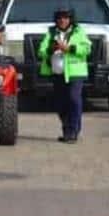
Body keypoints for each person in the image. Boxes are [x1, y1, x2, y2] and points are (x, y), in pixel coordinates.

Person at [38, 8, 91, 143]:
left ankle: (73, 131)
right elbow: (41, 51)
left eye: (66, 18)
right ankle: (67, 130)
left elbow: (87, 49)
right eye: (60, 18)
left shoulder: (79, 32)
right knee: (60, 104)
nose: (63, 20)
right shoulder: (51, 33)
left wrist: (70, 48)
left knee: (74, 100)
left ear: (70, 19)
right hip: (58, 73)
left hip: (75, 73)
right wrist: (52, 48)